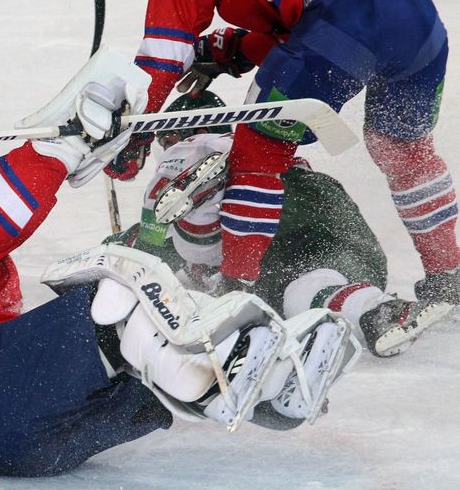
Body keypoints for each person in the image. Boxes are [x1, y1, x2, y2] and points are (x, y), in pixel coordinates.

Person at [0, 65, 359, 477]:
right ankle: (244, 383)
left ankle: (272, 390)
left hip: (21, 452)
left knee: (137, 364)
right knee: (111, 301)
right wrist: (60, 150)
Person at [105, 0, 459, 304]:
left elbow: (162, 56)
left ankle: (237, 292)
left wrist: (133, 133)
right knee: (403, 150)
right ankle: (448, 276)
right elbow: (329, 13)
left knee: (257, 151)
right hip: (417, 16)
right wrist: (237, 49)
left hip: (343, 15)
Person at [106, 92, 453, 359]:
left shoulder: (180, 184)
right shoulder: (259, 146)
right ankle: (381, 312)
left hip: (265, 209)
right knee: (306, 288)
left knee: (201, 247)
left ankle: (203, 185)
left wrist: (117, 250)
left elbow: (149, 250)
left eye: (167, 141)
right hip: (330, 225)